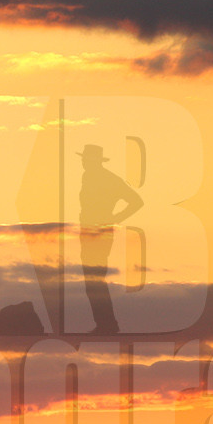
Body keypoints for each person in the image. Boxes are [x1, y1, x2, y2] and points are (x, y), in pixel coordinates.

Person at [78, 143, 144, 334]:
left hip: (100, 233)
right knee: (91, 280)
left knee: (95, 279)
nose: (83, 162)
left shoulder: (108, 179)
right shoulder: (87, 177)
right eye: (83, 158)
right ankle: (104, 324)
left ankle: (107, 324)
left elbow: (136, 201)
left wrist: (114, 220)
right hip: (88, 232)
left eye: (86, 159)